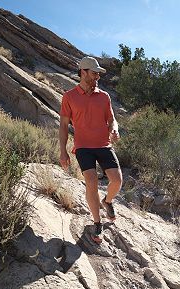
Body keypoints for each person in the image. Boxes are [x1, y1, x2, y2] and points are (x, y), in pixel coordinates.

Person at [59, 56, 122, 243]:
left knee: (117, 181)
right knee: (92, 181)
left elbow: (111, 119)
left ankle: (107, 201)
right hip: (83, 147)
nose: (98, 76)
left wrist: (114, 128)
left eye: (98, 73)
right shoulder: (69, 97)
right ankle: (97, 223)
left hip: (104, 145)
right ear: (83, 72)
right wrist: (63, 151)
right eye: (94, 73)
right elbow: (63, 126)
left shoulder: (104, 96)